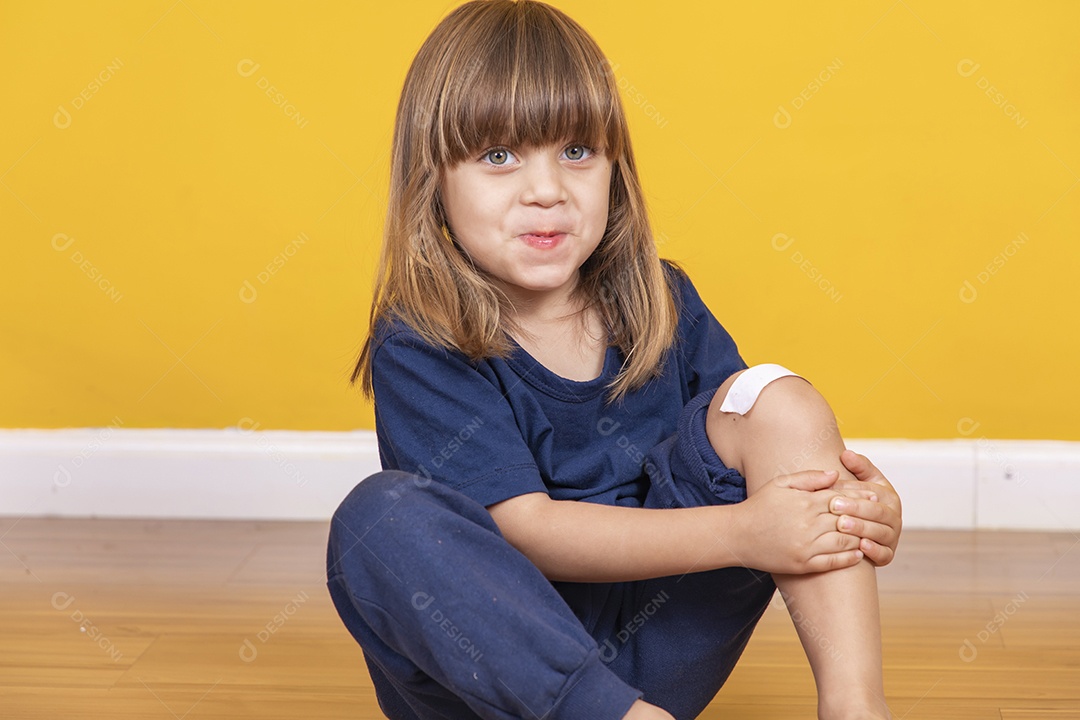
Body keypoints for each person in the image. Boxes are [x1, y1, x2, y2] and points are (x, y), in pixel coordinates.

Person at [327, 1, 902, 718]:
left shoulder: (661, 300)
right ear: (433, 181)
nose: (547, 190)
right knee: (378, 520)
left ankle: (856, 708)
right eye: (498, 156)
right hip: (501, 684)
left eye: (576, 152)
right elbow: (527, 528)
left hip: (657, 648)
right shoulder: (420, 340)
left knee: (778, 401)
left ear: (614, 171)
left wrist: (847, 511)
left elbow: (763, 451)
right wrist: (748, 530)